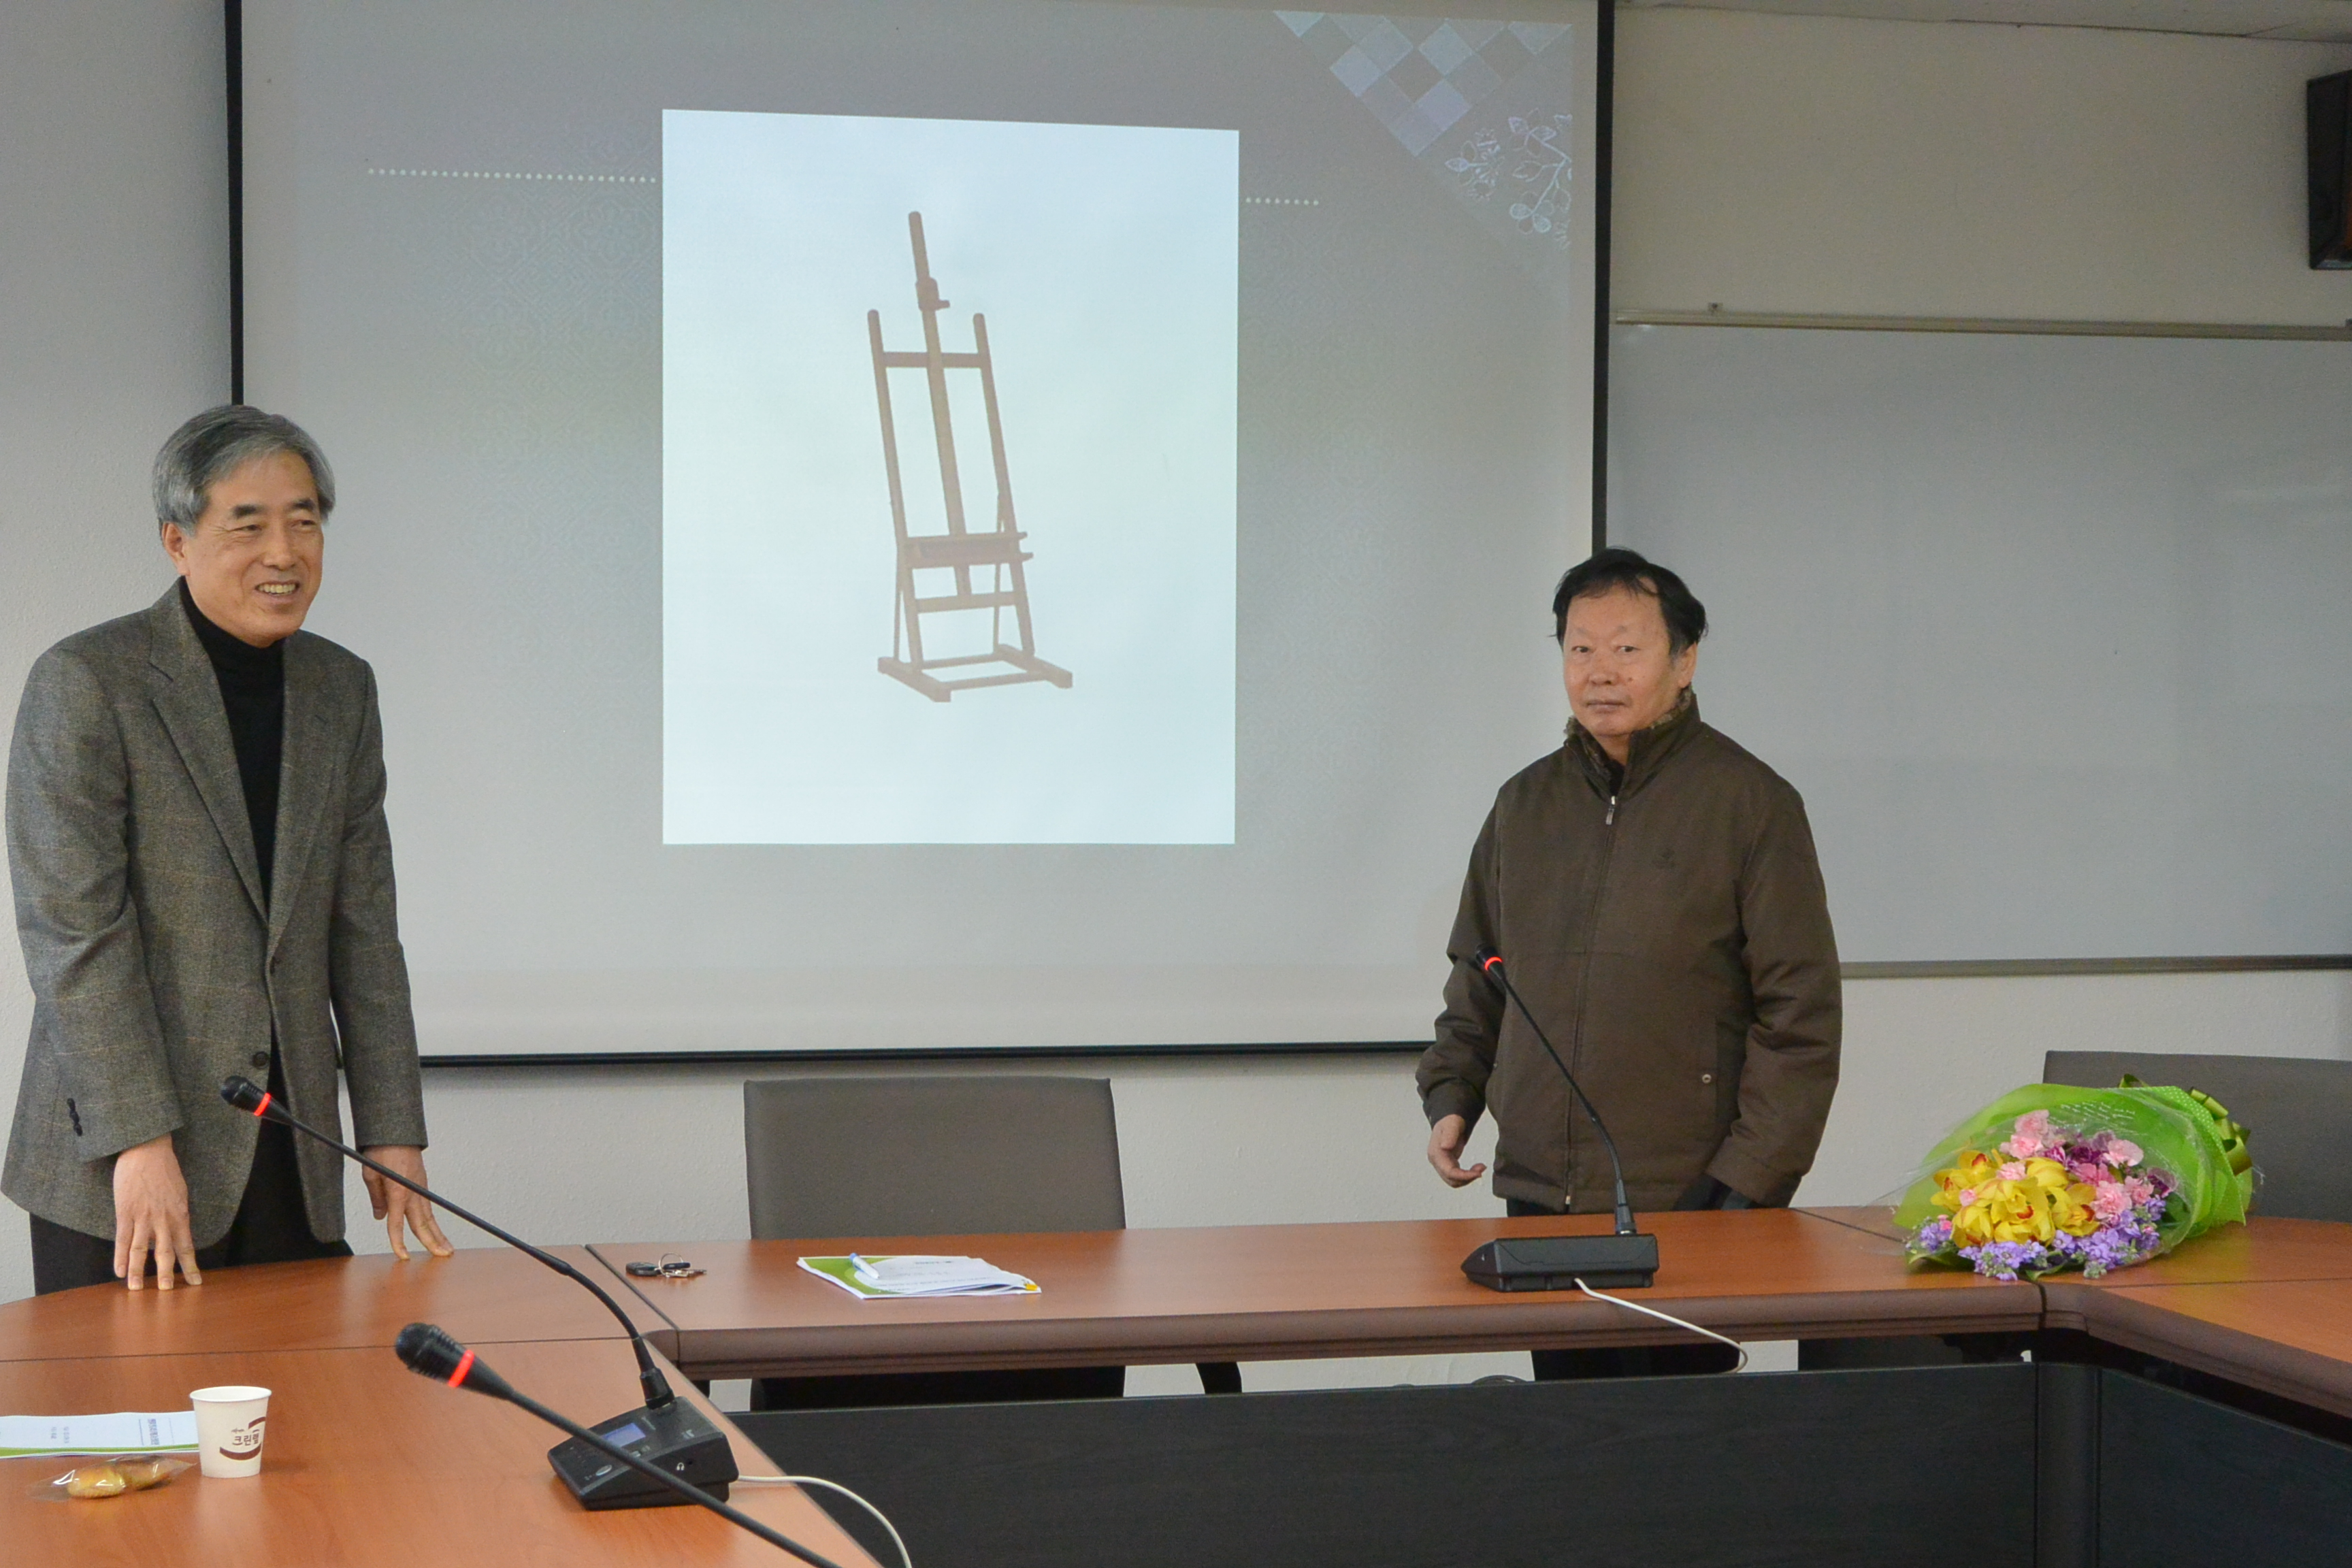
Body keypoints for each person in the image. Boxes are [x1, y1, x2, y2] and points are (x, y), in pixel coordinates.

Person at [6, 406, 453, 1294]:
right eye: (248, 525)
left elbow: (366, 930)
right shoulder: (88, 681)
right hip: (126, 1162)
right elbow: (75, 935)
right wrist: (139, 1140)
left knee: (308, 1381)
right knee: (137, 1389)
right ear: (177, 540)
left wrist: (391, 1128)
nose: (283, 553)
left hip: (291, 1147)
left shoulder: (340, 689)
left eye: (304, 522)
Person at [1417, 547, 1840, 1375]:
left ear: (1685, 661)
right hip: (1541, 1195)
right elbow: (1481, 972)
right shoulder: (1524, 805)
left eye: (1626, 649)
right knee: (1569, 1433)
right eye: (1580, 649)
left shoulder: (1751, 804)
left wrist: (1745, 1187)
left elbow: (1800, 1017)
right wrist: (1452, 1095)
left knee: (1676, 1443)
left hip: (1688, 1196)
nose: (1599, 672)